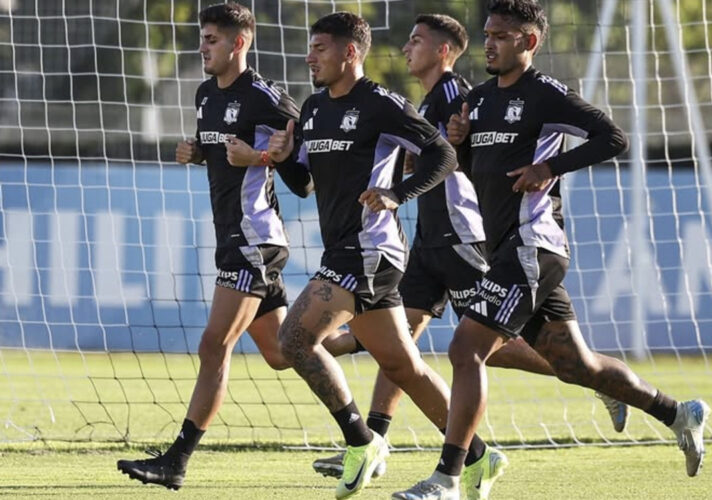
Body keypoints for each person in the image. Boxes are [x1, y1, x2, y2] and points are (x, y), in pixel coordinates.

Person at [394, 1, 710, 499]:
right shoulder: (476, 102)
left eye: (502, 35)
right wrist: (460, 145)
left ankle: (448, 479)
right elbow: (478, 171)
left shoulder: (545, 95)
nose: (491, 43)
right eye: (489, 34)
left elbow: (614, 137)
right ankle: (677, 413)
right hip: (504, 250)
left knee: (464, 349)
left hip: (533, 243)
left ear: (529, 42)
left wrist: (551, 168)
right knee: (575, 366)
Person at [311, 14, 628, 494]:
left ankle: (590, 379)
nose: (405, 49)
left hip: (462, 238)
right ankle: (374, 443)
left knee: (483, 349)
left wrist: (429, 168)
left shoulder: (460, 97)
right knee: (402, 350)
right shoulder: (431, 100)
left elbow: (460, 157)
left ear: (443, 51)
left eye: (416, 41)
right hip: (428, 241)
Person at [266, 11, 502, 500]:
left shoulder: (381, 104)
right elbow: (304, 185)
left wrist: (399, 193)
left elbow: (444, 155)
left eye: (320, 49)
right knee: (401, 366)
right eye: (309, 49)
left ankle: (361, 442)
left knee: (291, 339)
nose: (310, 57)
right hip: (348, 249)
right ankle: (478, 455)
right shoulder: (312, 109)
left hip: (369, 248)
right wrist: (286, 156)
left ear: (350, 52)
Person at [116, 3, 350, 490]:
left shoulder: (268, 98)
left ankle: (176, 462)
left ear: (238, 43)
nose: (203, 48)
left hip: (255, 240)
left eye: (212, 40)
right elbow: (226, 156)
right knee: (283, 353)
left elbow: (303, 178)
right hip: (233, 238)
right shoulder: (205, 95)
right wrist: (197, 152)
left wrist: (264, 155)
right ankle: (361, 430)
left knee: (212, 345)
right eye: (202, 39)